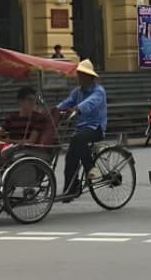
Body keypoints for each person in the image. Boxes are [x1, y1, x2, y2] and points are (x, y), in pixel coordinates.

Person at [56, 59, 106, 198]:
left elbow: (90, 103)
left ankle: (92, 169)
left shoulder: (99, 91)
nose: (79, 78)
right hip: (81, 129)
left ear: (89, 77)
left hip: (96, 128)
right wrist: (55, 110)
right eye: (79, 75)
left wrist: (78, 108)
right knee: (70, 157)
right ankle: (70, 189)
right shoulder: (77, 92)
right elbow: (67, 102)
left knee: (77, 138)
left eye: (82, 75)